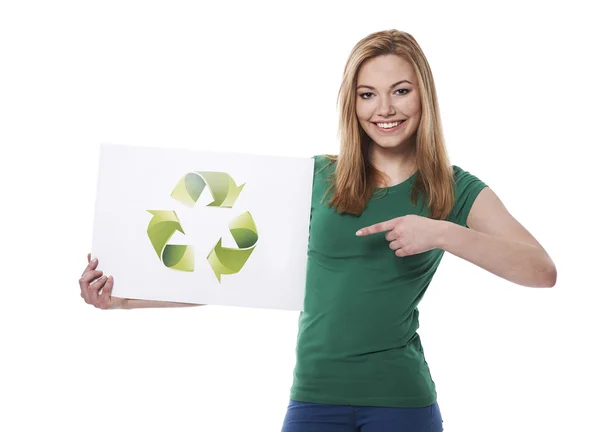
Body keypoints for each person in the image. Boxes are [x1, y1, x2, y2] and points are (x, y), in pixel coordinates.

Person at [79, 29, 557, 432]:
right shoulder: (314, 177)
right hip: (313, 399)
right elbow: (239, 274)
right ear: (351, 102)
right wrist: (124, 299)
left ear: (423, 95)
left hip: (401, 400)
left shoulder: (452, 188)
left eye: (401, 90)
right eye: (367, 94)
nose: (384, 108)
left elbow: (541, 270)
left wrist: (440, 233)